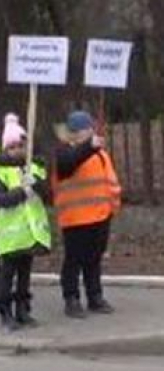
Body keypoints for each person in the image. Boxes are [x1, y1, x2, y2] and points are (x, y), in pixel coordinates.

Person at [53, 110, 121, 319]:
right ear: (73, 133)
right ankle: (71, 298)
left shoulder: (99, 153)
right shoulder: (64, 152)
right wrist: (88, 148)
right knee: (74, 260)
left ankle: (95, 296)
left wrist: (111, 209)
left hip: (100, 216)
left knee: (94, 259)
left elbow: (109, 182)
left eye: (90, 128)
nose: (90, 132)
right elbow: (68, 164)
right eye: (85, 129)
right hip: (75, 218)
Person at [0, 114, 51, 332]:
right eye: (12, 146)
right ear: (5, 149)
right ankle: (5, 313)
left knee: (25, 276)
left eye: (20, 145)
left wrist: (37, 184)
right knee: (7, 276)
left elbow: (49, 195)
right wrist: (21, 192)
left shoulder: (34, 168)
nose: (17, 150)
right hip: (10, 237)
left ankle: (23, 310)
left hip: (30, 235)